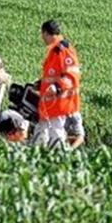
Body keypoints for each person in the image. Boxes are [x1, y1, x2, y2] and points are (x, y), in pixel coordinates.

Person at [32, 20, 85, 148]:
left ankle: (58, 162)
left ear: (45, 33)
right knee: (40, 137)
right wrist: (41, 84)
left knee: (55, 137)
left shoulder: (63, 49)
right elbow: (53, 75)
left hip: (60, 103)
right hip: (49, 106)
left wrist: (57, 87)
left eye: (42, 34)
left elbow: (72, 73)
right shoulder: (54, 50)